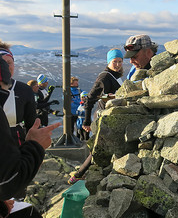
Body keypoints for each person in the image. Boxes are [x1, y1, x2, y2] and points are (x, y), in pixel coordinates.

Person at [0, 58, 61, 218]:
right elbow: (8, 182)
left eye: (10, 61)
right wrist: (35, 147)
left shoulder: (22, 90)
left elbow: (31, 120)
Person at [68, 49, 124, 184]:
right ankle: (78, 175)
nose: (117, 64)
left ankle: (81, 173)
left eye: (120, 61)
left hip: (111, 115)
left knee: (101, 146)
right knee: (99, 147)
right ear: (109, 62)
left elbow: (105, 96)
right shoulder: (104, 77)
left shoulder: (115, 75)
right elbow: (90, 98)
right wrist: (87, 122)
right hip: (104, 116)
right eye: (114, 61)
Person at [0, 43, 37, 146]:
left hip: (15, 143)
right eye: (1, 63)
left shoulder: (24, 90)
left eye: (9, 62)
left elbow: (31, 123)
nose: (6, 67)